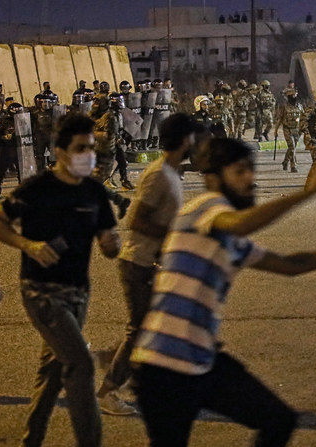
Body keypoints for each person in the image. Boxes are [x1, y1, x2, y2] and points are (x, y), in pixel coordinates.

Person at [129, 139, 316, 447]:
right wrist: (308, 193)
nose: (250, 178)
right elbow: (239, 224)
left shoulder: (232, 241)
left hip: (201, 361)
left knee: (279, 420)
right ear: (212, 177)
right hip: (162, 366)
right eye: (239, 171)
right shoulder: (205, 208)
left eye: (251, 169)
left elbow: (293, 264)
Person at [0, 113, 121, 447]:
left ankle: (30, 440)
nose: (89, 154)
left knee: (52, 373)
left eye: (91, 147)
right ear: (61, 151)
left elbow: (107, 239)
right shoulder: (37, 189)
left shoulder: (94, 191)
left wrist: (111, 245)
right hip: (41, 293)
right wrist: (28, 245)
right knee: (80, 365)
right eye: (80, 148)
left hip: (79, 293)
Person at [93, 114, 204, 415]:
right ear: (184, 140)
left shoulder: (170, 172)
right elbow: (136, 220)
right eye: (193, 138)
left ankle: (113, 359)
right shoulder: (159, 176)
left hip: (150, 264)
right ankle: (107, 391)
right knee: (141, 331)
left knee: (162, 325)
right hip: (138, 265)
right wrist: (176, 235)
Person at [274, 87, 304, 173]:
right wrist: (276, 131)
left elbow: (303, 118)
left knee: (291, 148)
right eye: (293, 95)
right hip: (287, 129)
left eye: (295, 95)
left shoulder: (300, 106)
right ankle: (293, 166)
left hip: (297, 130)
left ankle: (285, 161)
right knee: (292, 147)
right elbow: (280, 119)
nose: (295, 96)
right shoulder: (284, 107)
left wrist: (304, 128)